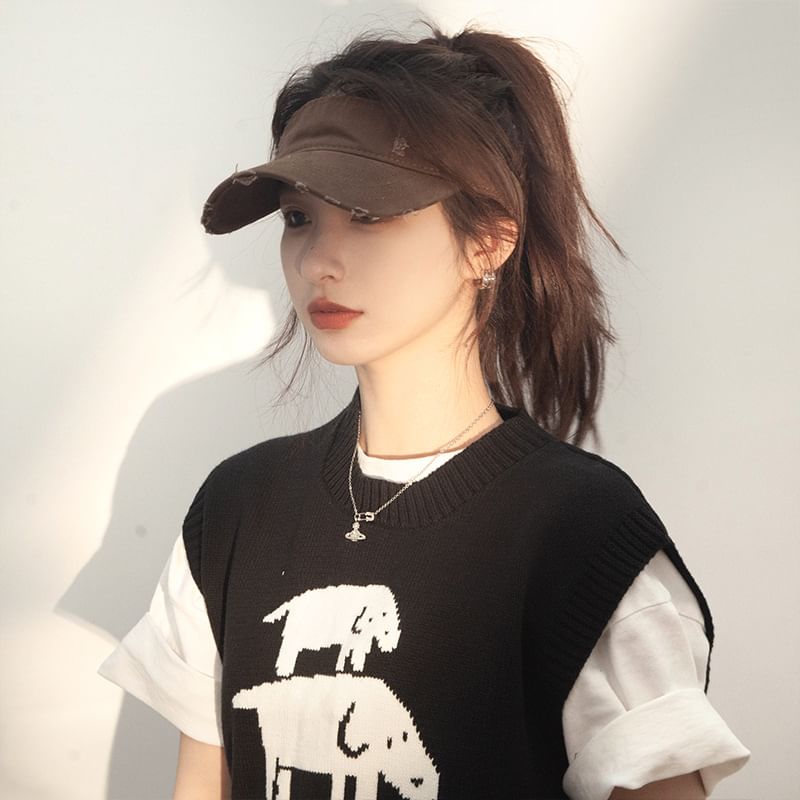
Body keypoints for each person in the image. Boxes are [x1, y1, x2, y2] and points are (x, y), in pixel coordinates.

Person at [97, 19, 751, 800]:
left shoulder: (582, 537)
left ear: (489, 242)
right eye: (299, 217)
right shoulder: (238, 509)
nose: (318, 259)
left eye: (368, 213)